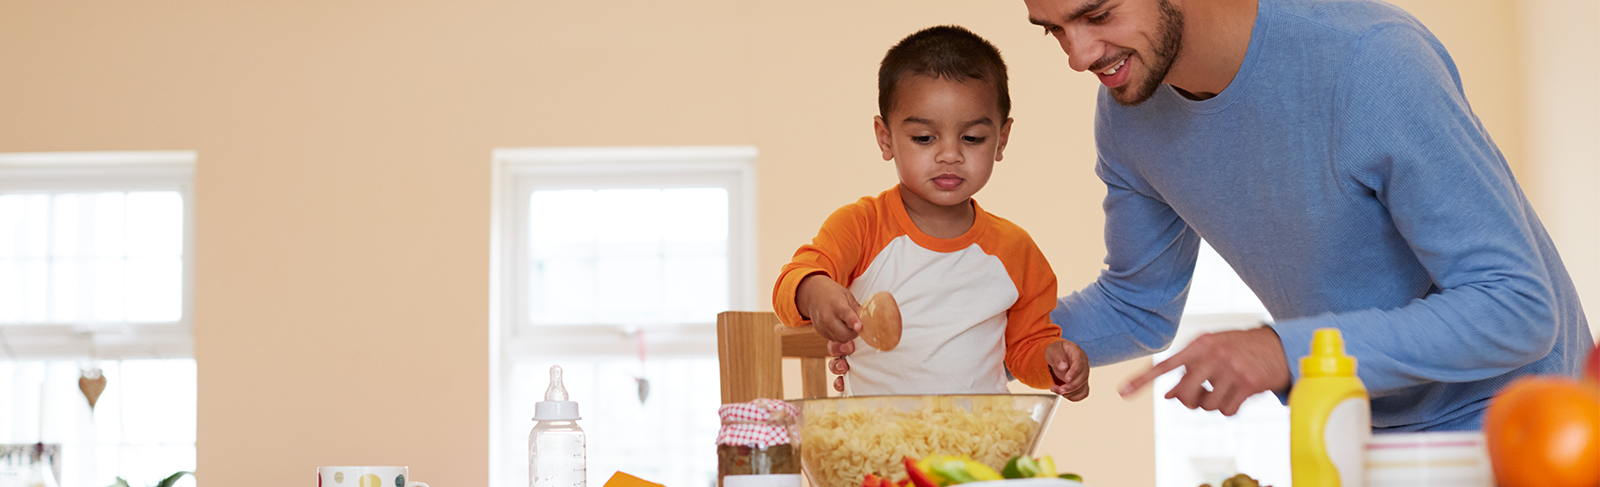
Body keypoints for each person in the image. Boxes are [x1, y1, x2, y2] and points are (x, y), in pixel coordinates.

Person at [1019, 0, 1592, 431]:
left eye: (1097, 14)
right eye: (1054, 31)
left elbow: (1516, 306)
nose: (1078, 56)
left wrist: (1283, 351)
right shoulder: (1128, 114)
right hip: (1354, 436)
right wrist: (969, 333)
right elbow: (1135, 305)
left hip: (1518, 433)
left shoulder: (1369, 59)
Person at [772, 25, 1090, 400]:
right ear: (885, 138)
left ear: (1001, 140)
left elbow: (1024, 349)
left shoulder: (1015, 249)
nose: (950, 155)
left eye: (972, 138)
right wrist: (814, 290)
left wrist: (1054, 361)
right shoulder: (862, 225)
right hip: (878, 446)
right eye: (924, 138)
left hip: (982, 447)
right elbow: (792, 281)